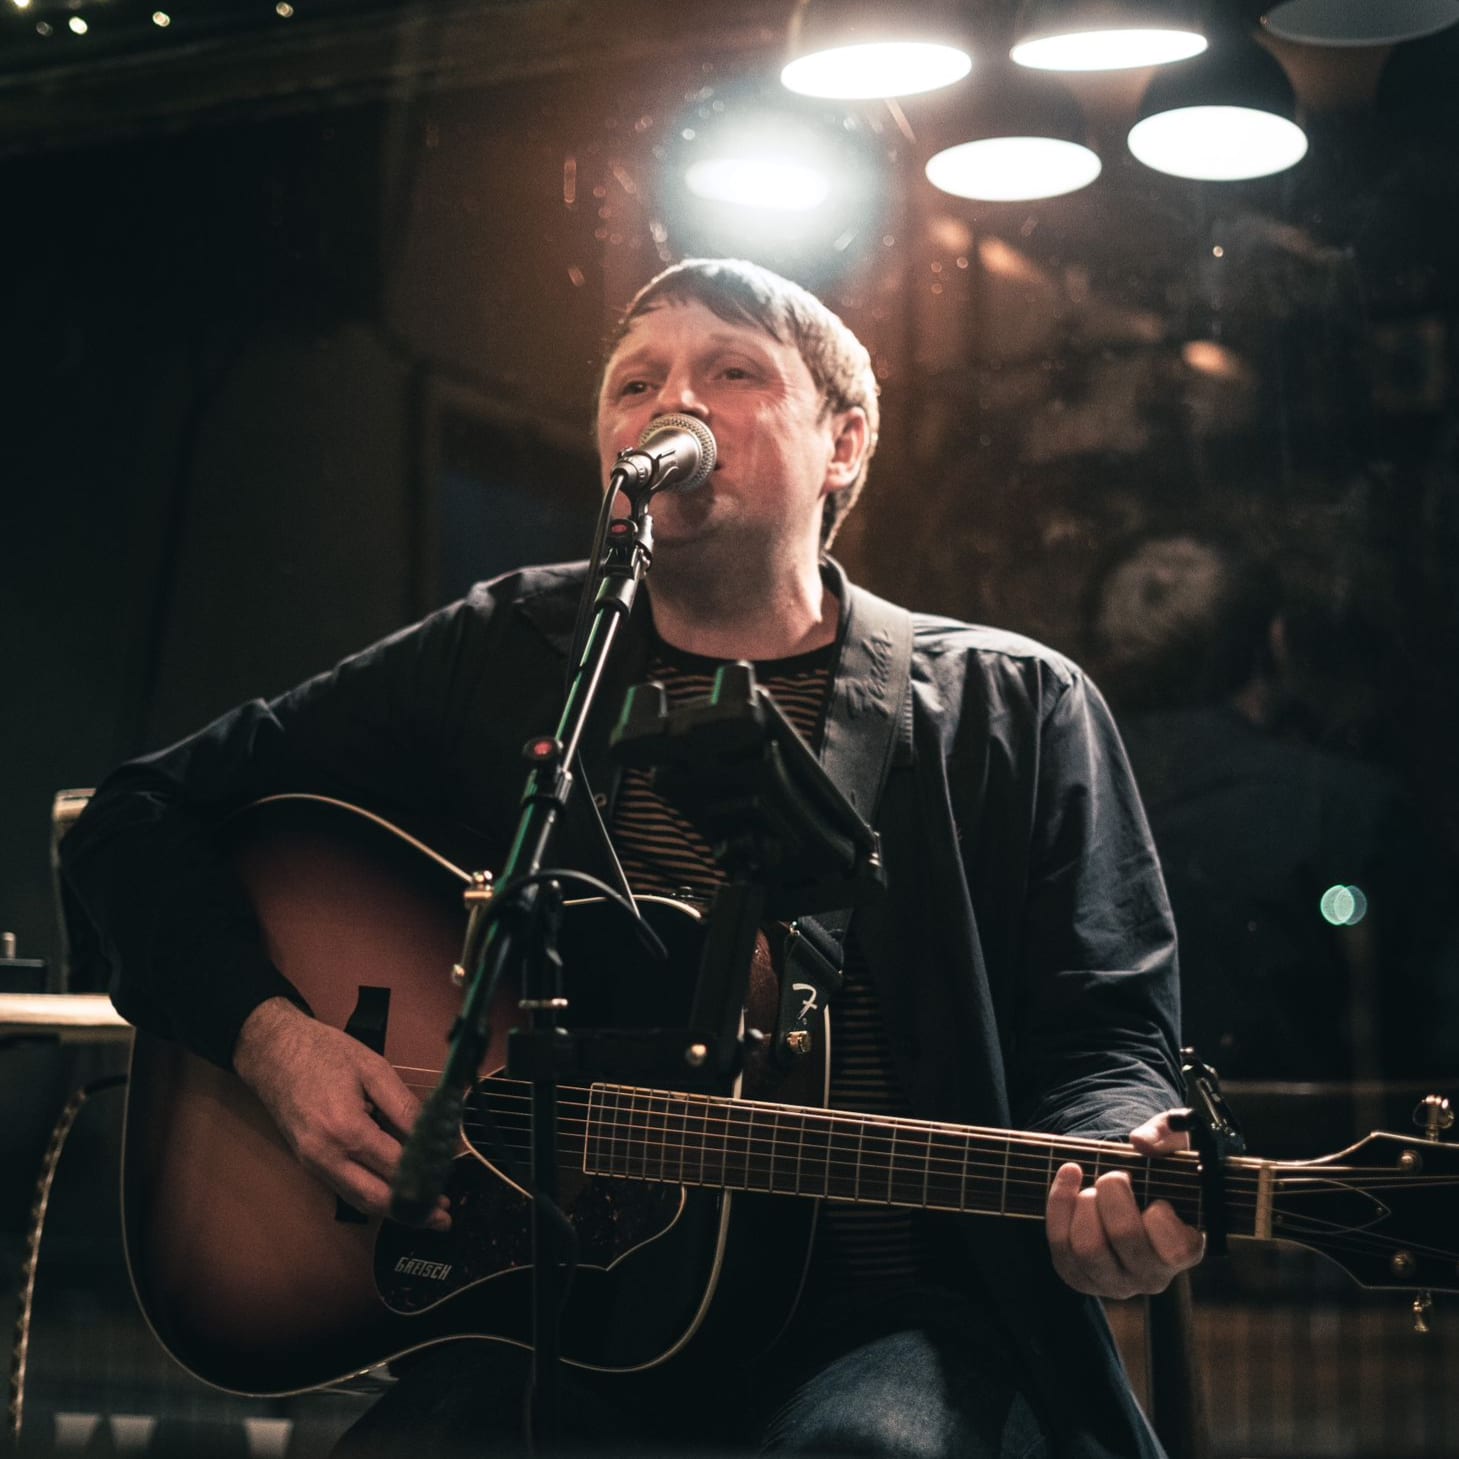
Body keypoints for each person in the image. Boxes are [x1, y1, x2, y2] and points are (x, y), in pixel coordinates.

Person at [61, 258, 1200, 1459]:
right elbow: (132, 820)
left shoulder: (1014, 709)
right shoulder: (506, 651)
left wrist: (1124, 1173)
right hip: (561, 1321)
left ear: (845, 442)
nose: (673, 403)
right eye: (634, 383)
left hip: (891, 1327)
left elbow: (1109, 1039)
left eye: (733, 371)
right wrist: (273, 1039)